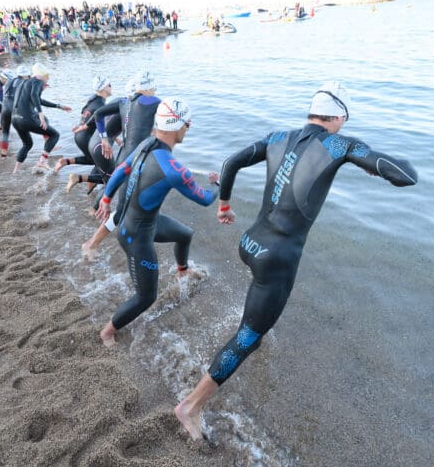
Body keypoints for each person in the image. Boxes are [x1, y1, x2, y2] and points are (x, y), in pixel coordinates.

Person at [174, 82, 418, 440]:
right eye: (344, 122)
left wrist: (224, 206)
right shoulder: (342, 144)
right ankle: (190, 407)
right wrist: (368, 160)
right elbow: (406, 176)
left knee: (255, 321)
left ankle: (251, 333)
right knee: (248, 336)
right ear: (337, 117)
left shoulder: (278, 136)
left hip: (250, 243)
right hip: (277, 258)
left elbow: (230, 163)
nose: (343, 129)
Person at [95, 98, 219, 347]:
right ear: (178, 126)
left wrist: (106, 198)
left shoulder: (145, 144)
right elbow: (205, 199)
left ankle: (182, 271)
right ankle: (107, 331)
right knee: (146, 296)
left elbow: (120, 170)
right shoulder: (174, 169)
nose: (189, 127)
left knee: (185, 234)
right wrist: (218, 183)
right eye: (187, 123)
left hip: (145, 223)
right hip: (135, 236)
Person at [81, 70, 160, 259]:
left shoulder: (125, 103)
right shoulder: (151, 101)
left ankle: (97, 214)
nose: (155, 91)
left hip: (124, 156)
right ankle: (92, 243)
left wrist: (105, 138)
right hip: (135, 161)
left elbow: (99, 113)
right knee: (125, 206)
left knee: (121, 195)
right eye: (153, 87)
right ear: (147, 87)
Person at [11, 63, 72, 173]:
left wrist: (59, 106)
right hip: (26, 119)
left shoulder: (24, 83)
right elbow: (34, 96)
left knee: (27, 144)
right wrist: (40, 115)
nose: (47, 79)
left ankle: (15, 171)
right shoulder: (38, 81)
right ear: (41, 75)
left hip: (15, 119)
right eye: (47, 75)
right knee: (55, 134)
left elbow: (38, 100)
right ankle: (42, 162)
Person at [53, 75, 112, 175]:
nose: (111, 87)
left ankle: (65, 162)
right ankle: (91, 184)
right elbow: (101, 123)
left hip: (80, 135)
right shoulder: (100, 104)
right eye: (109, 85)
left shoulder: (93, 100)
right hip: (85, 137)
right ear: (103, 88)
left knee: (94, 161)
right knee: (101, 163)